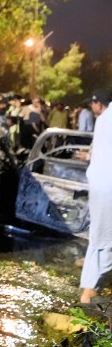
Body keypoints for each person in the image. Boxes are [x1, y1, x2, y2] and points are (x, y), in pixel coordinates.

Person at [77, 90, 112, 305]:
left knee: (99, 236)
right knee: (107, 239)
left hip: (100, 185)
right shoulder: (106, 120)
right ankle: (91, 290)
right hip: (108, 186)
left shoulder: (103, 121)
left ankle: (89, 285)